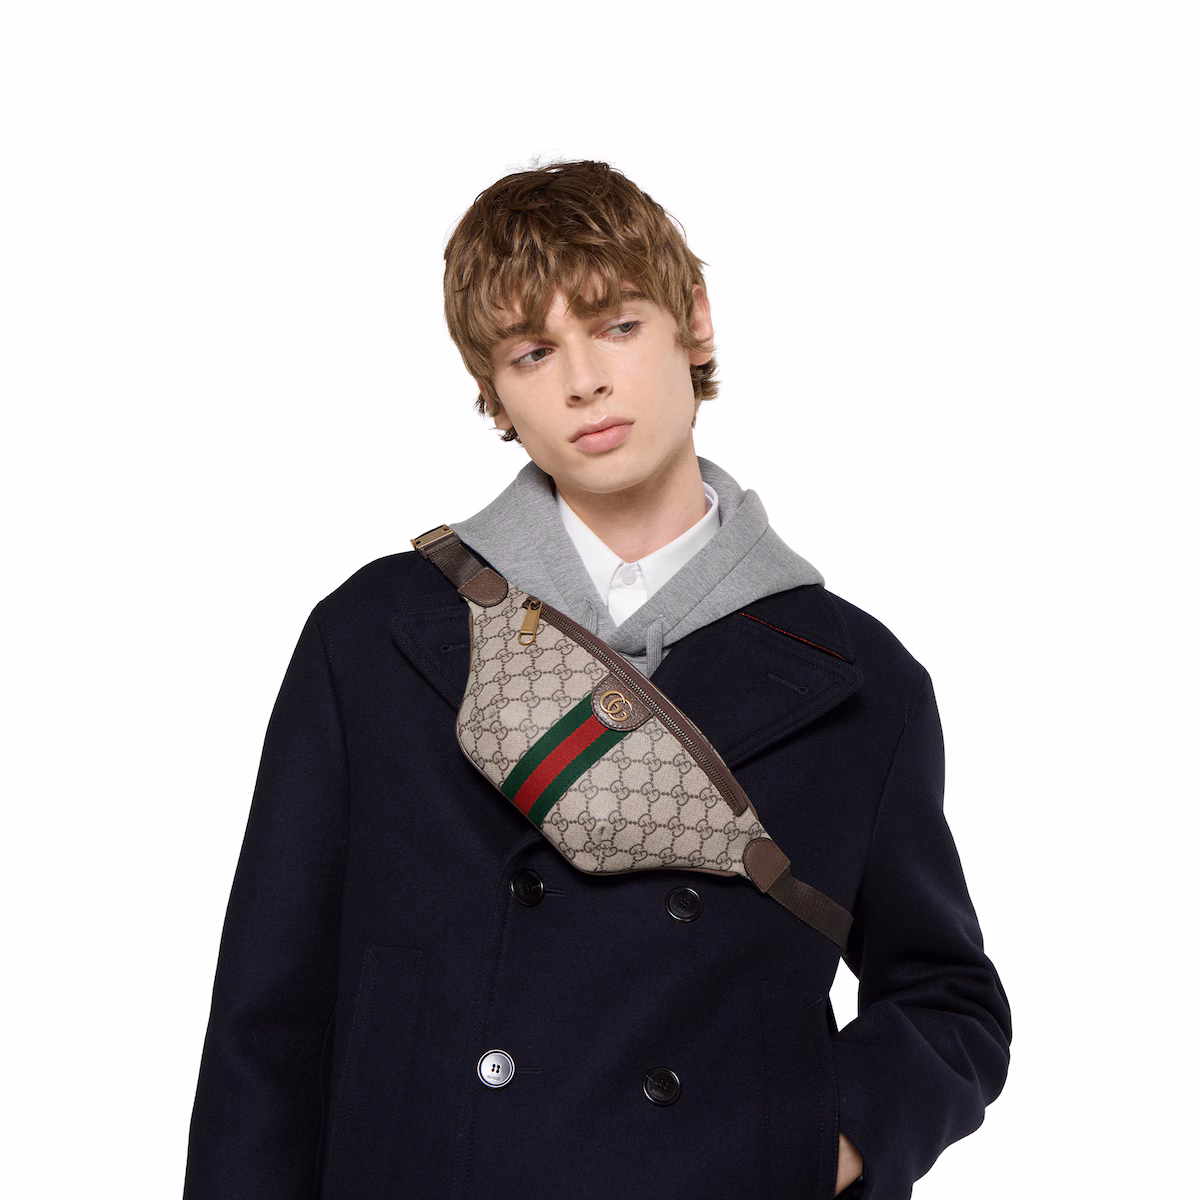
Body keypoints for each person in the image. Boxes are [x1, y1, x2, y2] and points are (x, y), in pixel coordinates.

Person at [183, 159, 1011, 1200]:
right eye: (533, 352)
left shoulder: (861, 681)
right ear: (494, 393)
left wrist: (814, 1143)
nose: (583, 381)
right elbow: (267, 1021)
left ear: (693, 322)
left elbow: (948, 999)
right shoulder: (374, 637)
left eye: (617, 325)